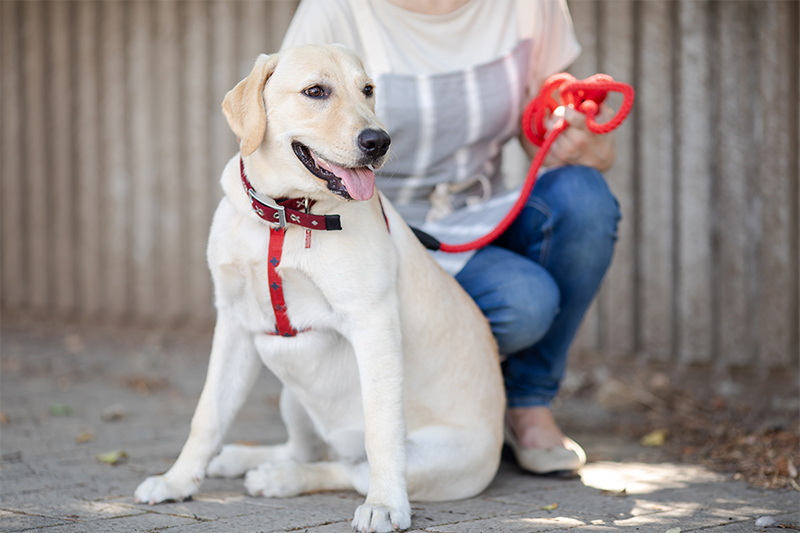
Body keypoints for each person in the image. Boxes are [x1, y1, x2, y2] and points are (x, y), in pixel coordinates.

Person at [280, 0, 620, 475]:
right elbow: (288, 127)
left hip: (480, 215)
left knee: (585, 197)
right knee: (525, 304)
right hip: (373, 227)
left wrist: (577, 137)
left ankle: (526, 401)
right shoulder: (336, 10)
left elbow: (540, 118)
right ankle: (435, 405)